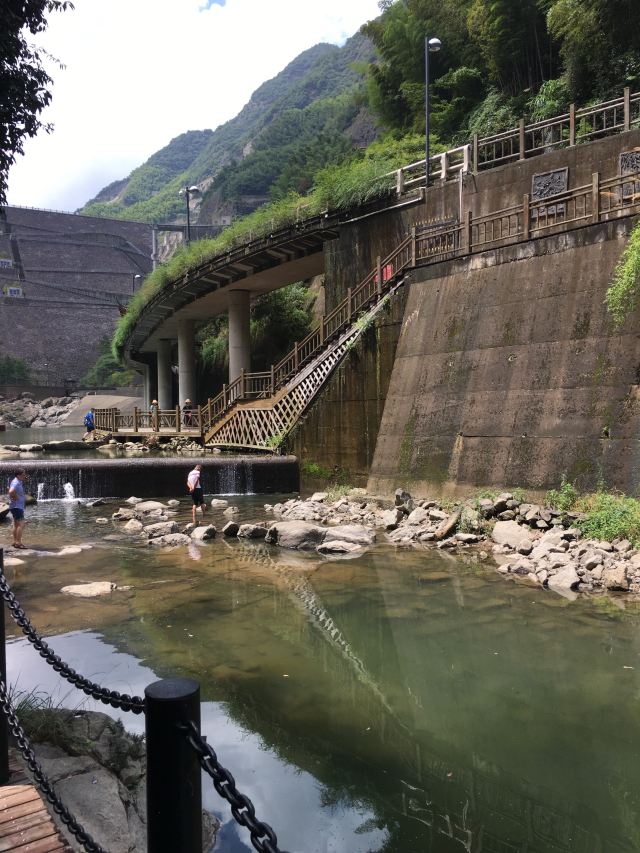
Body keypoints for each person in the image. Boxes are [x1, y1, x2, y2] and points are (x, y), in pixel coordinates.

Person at [8, 468, 27, 549]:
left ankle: (15, 541)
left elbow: (9, 488)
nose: (25, 476)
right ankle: (18, 543)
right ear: (18, 475)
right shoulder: (16, 482)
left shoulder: (17, 480)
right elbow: (11, 491)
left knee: (16, 524)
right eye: (23, 475)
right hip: (17, 507)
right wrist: (15, 497)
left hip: (15, 506)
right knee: (21, 524)